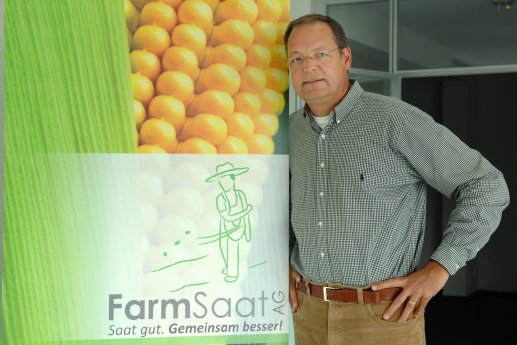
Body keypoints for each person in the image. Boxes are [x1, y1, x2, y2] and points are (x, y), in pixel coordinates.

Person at [286, 14, 510, 345]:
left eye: (321, 54)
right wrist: (283, 258)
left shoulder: (396, 120)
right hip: (305, 314)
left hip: (383, 318)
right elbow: (281, 208)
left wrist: (440, 268)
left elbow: (485, 186)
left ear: (345, 58)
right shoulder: (289, 133)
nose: (310, 67)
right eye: (297, 59)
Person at [205, 162, 253, 283]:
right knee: (224, 248)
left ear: (232, 179)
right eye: (220, 180)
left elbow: (246, 216)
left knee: (233, 251)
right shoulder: (221, 198)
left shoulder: (240, 194)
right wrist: (245, 211)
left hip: (238, 229)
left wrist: (247, 231)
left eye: (225, 178)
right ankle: (227, 268)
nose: (222, 182)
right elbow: (228, 216)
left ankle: (232, 274)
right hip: (225, 227)